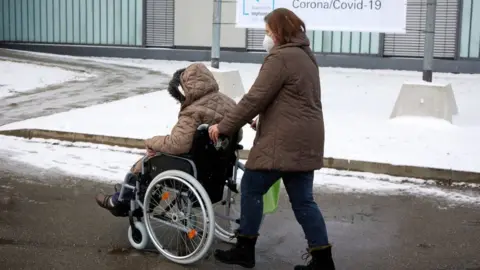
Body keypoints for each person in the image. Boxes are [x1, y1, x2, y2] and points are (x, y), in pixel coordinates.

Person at [208, 8, 335, 270]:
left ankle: (245, 249)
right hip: (306, 139)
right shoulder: (305, 56)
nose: (266, 38)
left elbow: (255, 98)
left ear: (279, 32)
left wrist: (224, 126)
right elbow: (291, 102)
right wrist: (263, 121)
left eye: (268, 32)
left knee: (252, 186)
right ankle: (323, 261)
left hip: (285, 143)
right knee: (303, 201)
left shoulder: (280, 58)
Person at [95, 62, 237, 216]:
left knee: (148, 162)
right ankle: (135, 193)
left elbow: (178, 144)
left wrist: (151, 142)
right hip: (219, 168)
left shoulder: (193, 111)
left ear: (188, 86)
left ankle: (121, 201)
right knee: (159, 159)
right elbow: (236, 134)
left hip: (194, 169)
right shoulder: (229, 102)